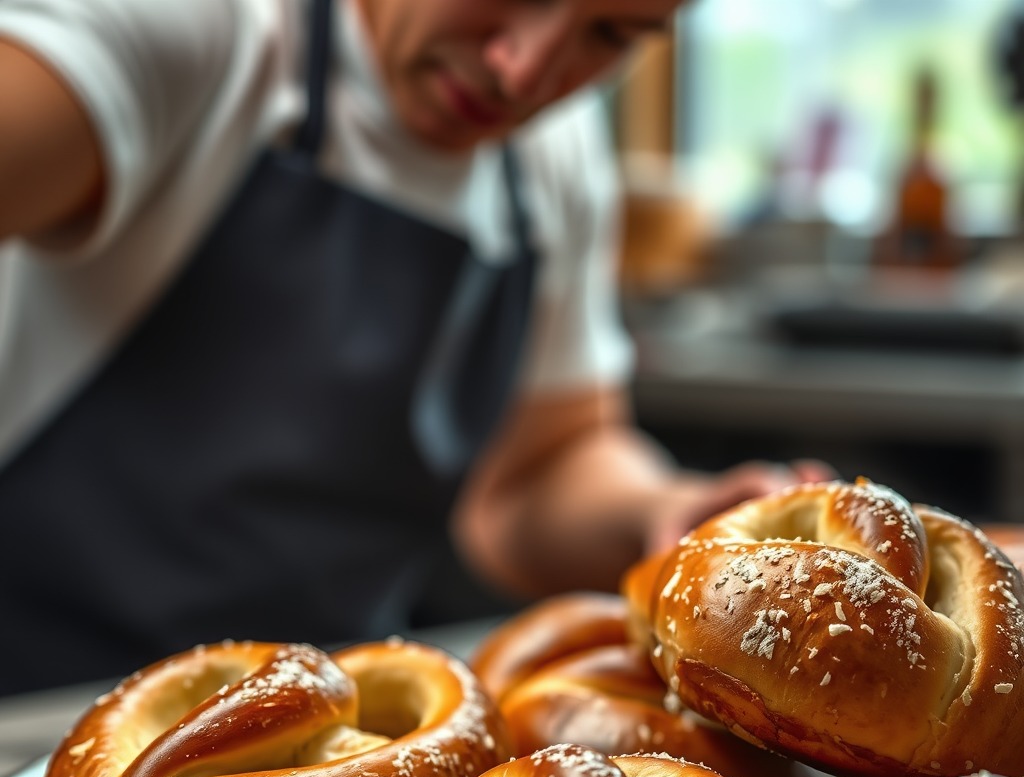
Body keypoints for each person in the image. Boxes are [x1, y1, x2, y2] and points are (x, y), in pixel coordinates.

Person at [0, 0, 829, 694]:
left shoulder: (554, 160)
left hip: (332, 733)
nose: (526, 71)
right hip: (40, 702)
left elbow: (539, 474)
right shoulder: (201, 30)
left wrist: (662, 514)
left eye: (608, 34)